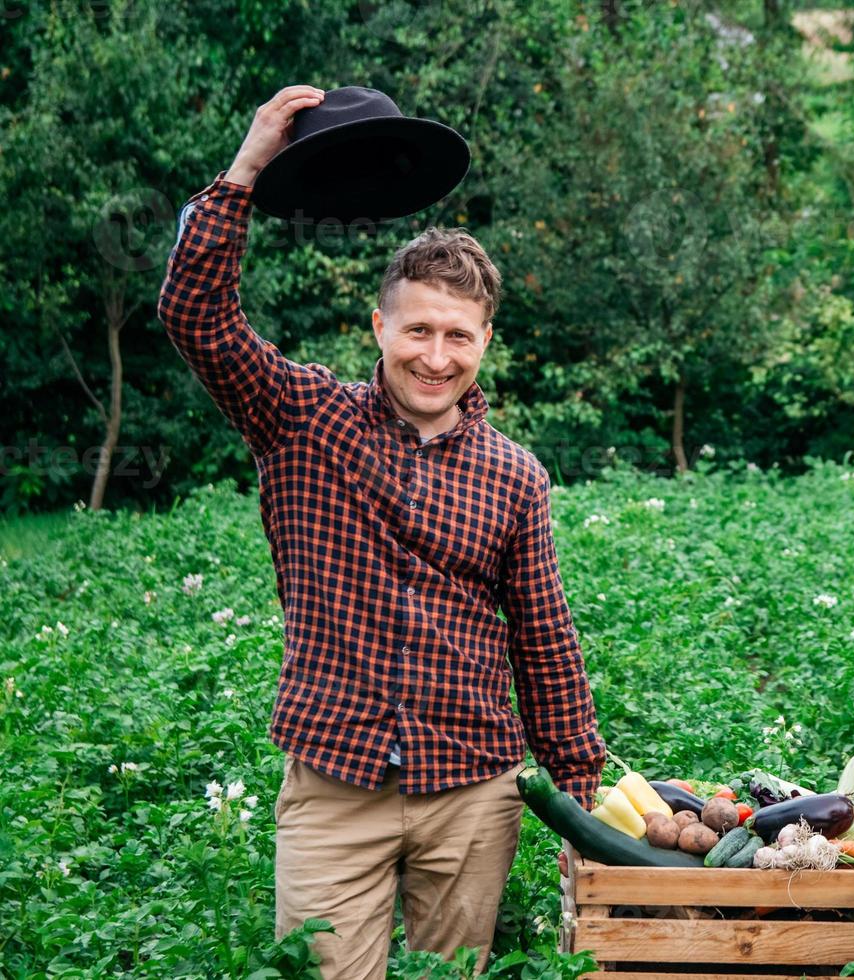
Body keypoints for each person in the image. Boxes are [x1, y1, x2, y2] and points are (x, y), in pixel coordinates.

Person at [157, 85, 605, 977]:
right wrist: (247, 168)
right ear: (380, 326)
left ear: (485, 340)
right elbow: (196, 318)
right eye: (417, 331)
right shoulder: (302, 417)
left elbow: (545, 644)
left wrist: (583, 806)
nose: (435, 357)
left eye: (458, 336)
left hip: (474, 789)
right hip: (336, 780)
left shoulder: (515, 475)